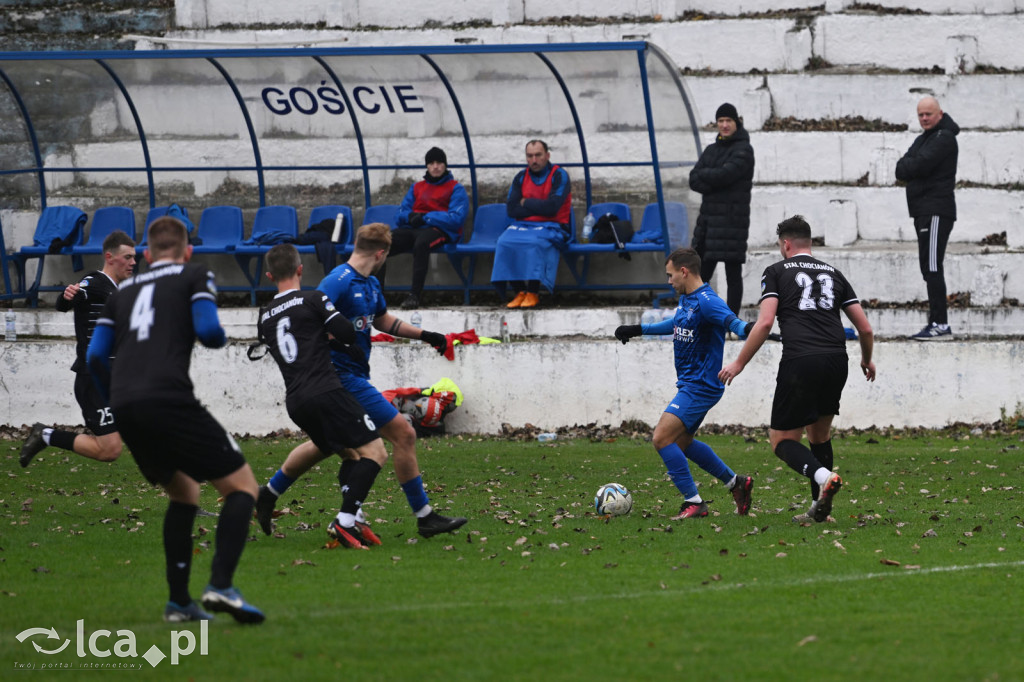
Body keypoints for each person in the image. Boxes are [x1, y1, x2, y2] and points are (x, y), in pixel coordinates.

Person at [86, 217, 264, 624]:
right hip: (168, 398)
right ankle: (220, 585)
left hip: (126, 406)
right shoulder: (194, 273)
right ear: (187, 251)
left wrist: (115, 395)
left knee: (184, 492)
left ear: (147, 255)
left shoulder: (122, 291)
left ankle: (179, 603)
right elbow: (208, 330)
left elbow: (96, 356)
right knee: (243, 488)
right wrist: (217, 337)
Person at [256, 223, 467, 539]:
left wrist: (427, 335)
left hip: (348, 376)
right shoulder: (337, 281)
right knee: (403, 433)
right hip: (340, 377)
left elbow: (383, 320)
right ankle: (421, 516)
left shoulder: (368, 283)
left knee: (326, 446)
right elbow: (306, 318)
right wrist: (338, 344)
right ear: (381, 254)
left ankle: (271, 493)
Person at [718, 215, 876, 524]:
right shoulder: (835, 273)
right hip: (836, 359)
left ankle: (823, 477)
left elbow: (765, 322)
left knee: (781, 440)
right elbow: (865, 329)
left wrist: (738, 363)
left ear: (786, 244)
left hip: (801, 359)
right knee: (819, 435)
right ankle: (819, 510)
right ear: (810, 242)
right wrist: (867, 359)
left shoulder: (776, 271)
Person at [253, 243, 391, 549]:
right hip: (326, 391)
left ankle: (275, 497)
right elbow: (345, 333)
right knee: (376, 453)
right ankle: (344, 522)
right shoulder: (313, 299)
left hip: (296, 401)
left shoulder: (264, 317)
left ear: (269, 275)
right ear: (301, 269)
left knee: (350, 455)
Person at [614, 247, 754, 519]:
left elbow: (734, 324)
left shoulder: (708, 301)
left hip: (701, 386)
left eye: (670, 275)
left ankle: (695, 503)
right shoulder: (689, 300)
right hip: (691, 384)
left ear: (684, 271)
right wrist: (639, 329)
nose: (669, 281)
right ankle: (736, 483)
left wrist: (751, 329)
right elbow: (677, 324)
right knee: (682, 443)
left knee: (661, 438)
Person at [20, 230, 136, 468]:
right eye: (128, 257)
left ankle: (185, 501)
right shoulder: (94, 283)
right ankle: (46, 435)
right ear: (110, 257)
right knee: (110, 450)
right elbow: (68, 301)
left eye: (134, 257)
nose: (133, 262)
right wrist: (67, 295)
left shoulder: (119, 290)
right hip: (94, 380)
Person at [895, 95, 959, 341]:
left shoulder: (944, 139)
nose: (924, 118)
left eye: (928, 114)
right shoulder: (924, 139)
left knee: (932, 266)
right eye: (920, 114)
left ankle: (940, 324)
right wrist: (912, 166)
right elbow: (901, 169)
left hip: (935, 211)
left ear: (939, 114)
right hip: (923, 211)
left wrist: (913, 166)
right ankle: (936, 323)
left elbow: (917, 166)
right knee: (928, 267)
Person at [689, 102, 755, 316]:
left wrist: (709, 176)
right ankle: (695, 317)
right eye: (721, 121)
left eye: (728, 121)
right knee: (700, 275)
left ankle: (732, 323)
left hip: (732, 223)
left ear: (736, 122)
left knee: (732, 275)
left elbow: (727, 174)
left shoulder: (744, 149)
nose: (724, 125)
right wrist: (716, 179)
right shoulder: (711, 150)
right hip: (708, 224)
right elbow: (693, 179)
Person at [491, 139, 572, 309]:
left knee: (535, 243)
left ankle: (533, 292)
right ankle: (520, 291)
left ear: (547, 155)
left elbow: (552, 207)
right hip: (524, 226)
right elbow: (512, 210)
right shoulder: (521, 177)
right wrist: (538, 207)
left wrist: (525, 202)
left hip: (554, 225)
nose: (534, 160)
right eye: (530, 156)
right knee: (504, 242)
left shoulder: (559, 175)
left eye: (538, 155)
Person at [390, 146, 469, 309]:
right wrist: (410, 217)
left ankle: (414, 295)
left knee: (422, 244)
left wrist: (427, 217)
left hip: (440, 230)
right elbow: (400, 213)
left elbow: (456, 219)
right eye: (431, 163)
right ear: (426, 166)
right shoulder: (417, 187)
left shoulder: (456, 188)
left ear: (445, 165)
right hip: (413, 228)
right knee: (382, 242)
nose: (435, 166)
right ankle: (376, 295)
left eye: (439, 162)